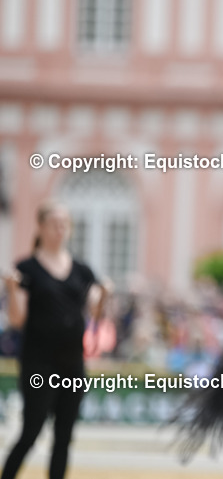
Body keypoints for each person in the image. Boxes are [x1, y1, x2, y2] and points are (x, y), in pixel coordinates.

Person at [2, 201, 110, 479]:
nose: (60, 229)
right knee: (32, 430)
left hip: (72, 362)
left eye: (65, 224)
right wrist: (12, 290)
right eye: (54, 223)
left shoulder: (82, 270)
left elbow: (96, 311)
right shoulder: (27, 268)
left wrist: (105, 294)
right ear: (41, 227)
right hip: (40, 361)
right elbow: (17, 319)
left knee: (64, 436)